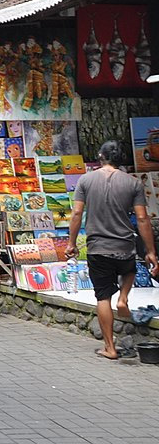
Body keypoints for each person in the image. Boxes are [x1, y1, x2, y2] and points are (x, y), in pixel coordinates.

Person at [67, 140, 158, 361]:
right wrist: (151, 251)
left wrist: (71, 243)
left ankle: (110, 347)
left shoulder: (86, 180)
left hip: (98, 247)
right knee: (129, 271)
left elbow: (77, 214)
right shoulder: (133, 183)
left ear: (100, 156)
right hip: (124, 244)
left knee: (102, 296)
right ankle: (124, 297)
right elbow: (143, 218)